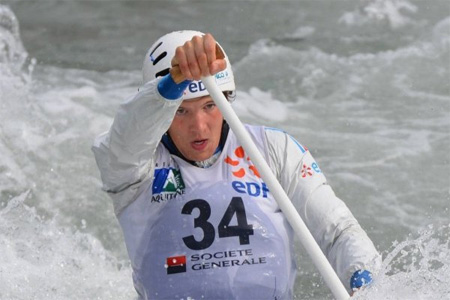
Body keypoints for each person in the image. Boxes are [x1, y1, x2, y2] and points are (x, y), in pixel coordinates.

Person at [92, 30, 381, 299]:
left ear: (227, 98)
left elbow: (338, 231)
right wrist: (169, 86)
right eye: (181, 111)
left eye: (209, 106)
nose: (199, 127)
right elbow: (125, 139)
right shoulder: (134, 165)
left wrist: (364, 278)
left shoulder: (272, 150)